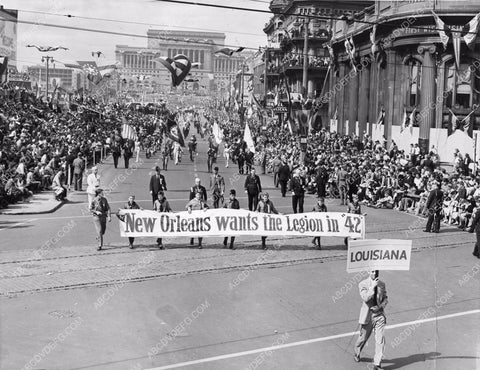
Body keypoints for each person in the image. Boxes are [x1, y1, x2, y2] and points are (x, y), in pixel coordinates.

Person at [354, 270, 388, 370]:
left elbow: (385, 299)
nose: (374, 274)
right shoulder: (363, 284)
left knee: (380, 340)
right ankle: (357, 351)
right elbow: (365, 298)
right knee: (363, 338)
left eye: (376, 272)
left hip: (379, 315)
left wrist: (380, 307)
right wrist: (372, 287)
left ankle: (377, 363)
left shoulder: (382, 284)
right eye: (372, 271)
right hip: (368, 316)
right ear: (369, 272)